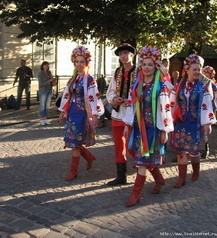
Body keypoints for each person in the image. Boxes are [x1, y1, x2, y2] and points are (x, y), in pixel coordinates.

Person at [123, 46, 174, 207]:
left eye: (150, 64)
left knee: (143, 162)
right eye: (144, 64)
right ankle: (159, 179)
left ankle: (135, 193)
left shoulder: (160, 85)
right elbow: (131, 105)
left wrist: (165, 130)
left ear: (155, 66)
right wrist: (127, 124)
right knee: (144, 159)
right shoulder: (136, 84)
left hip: (153, 128)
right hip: (139, 128)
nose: (146, 67)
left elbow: (165, 107)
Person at [170, 54, 216, 188]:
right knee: (181, 151)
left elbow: (207, 104)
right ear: (187, 70)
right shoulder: (179, 86)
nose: (197, 72)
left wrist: (207, 123)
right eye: (194, 69)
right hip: (180, 122)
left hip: (196, 124)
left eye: (199, 69)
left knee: (195, 152)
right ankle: (182, 178)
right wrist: (169, 120)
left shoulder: (203, 87)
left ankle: (195, 172)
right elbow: (172, 103)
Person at [58, 46, 104, 181]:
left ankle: (73, 171)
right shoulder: (72, 79)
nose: (79, 64)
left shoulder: (89, 80)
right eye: (76, 61)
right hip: (72, 112)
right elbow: (67, 95)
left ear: (86, 63)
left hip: (83, 113)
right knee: (73, 141)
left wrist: (95, 114)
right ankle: (88, 157)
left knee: (75, 142)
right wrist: (63, 111)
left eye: (81, 62)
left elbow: (94, 97)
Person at [106, 43, 136, 186]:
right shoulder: (117, 72)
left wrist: (130, 101)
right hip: (117, 114)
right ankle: (121, 176)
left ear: (132, 55)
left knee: (133, 144)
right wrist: (114, 99)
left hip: (133, 114)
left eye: (126, 53)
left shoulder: (139, 71)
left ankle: (141, 169)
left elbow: (142, 92)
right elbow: (110, 91)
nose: (123, 56)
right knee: (119, 145)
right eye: (121, 54)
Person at [201, 65, 217, 159]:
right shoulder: (198, 83)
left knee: (205, 130)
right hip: (198, 109)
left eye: (206, 73)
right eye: (203, 73)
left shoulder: (213, 85)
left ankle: (205, 148)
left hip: (209, 109)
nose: (204, 75)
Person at [38, 61, 53, 126]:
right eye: (45, 65)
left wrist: (53, 81)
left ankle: (45, 118)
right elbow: (40, 83)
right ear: (42, 66)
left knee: (47, 105)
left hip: (49, 90)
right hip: (43, 91)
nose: (46, 66)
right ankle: (41, 119)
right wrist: (49, 81)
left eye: (47, 65)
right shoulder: (40, 73)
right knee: (42, 105)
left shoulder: (49, 72)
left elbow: (51, 79)